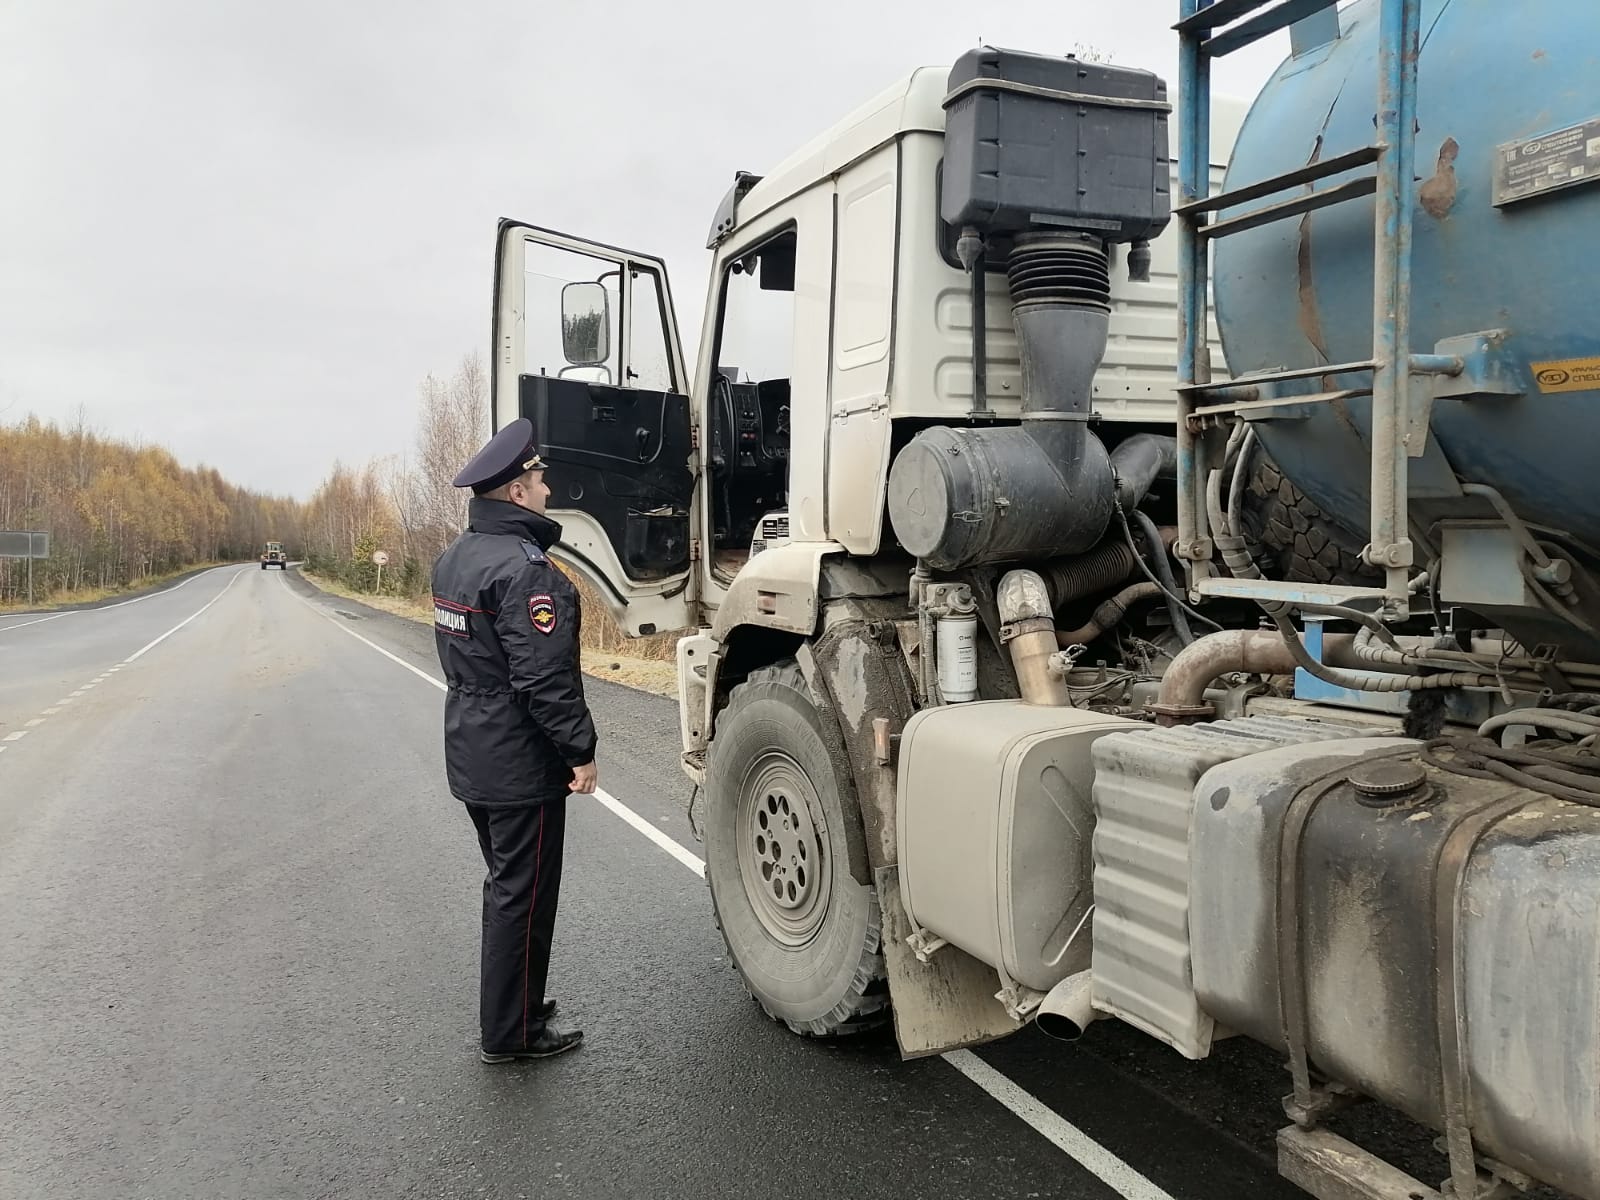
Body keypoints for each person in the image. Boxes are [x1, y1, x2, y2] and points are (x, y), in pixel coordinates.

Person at [431, 418, 596, 1064]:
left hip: (472, 753)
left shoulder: (457, 557)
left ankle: (519, 1006)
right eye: (538, 479)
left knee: (506, 887)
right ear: (516, 494)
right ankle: (512, 1033)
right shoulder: (528, 574)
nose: (547, 487)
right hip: (518, 765)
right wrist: (578, 753)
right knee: (522, 898)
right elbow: (542, 681)